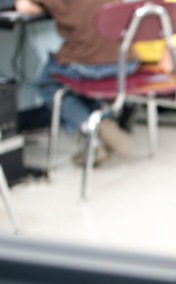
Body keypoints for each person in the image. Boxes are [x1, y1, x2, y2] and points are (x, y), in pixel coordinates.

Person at [16, 0, 135, 165]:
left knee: (47, 82)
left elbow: (23, 7)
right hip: (126, 60)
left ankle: (93, 132)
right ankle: (103, 125)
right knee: (76, 83)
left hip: (90, 64)